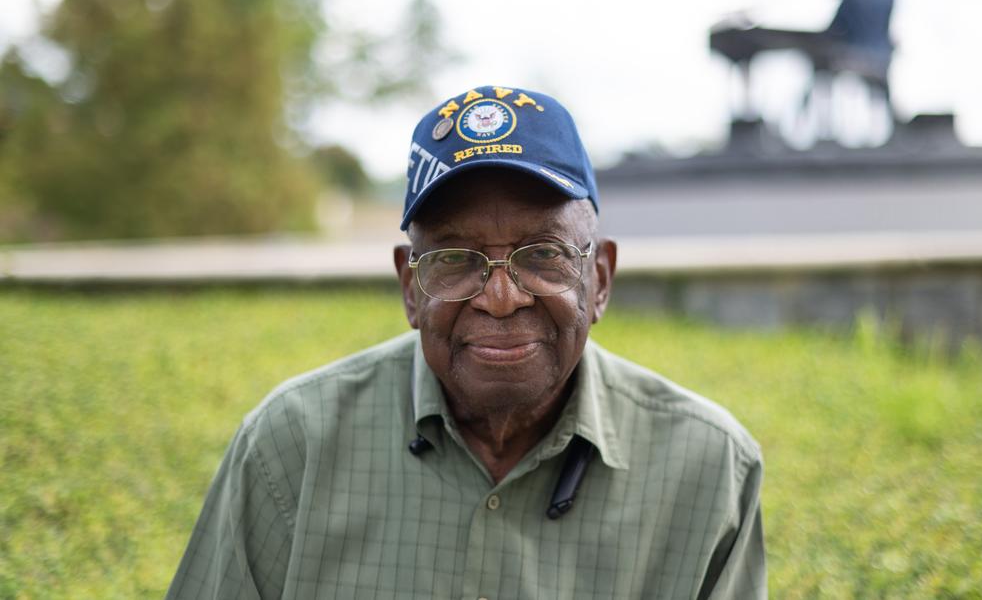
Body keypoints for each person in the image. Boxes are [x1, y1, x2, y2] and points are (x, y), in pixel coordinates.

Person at [166, 85, 766, 599]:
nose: (501, 298)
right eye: (455, 258)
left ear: (600, 279)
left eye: (544, 255)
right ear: (409, 286)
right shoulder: (290, 446)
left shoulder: (710, 471)